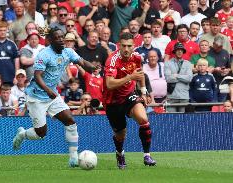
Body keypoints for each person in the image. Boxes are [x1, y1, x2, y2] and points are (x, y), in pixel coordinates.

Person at [12, 27, 98, 167]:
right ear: (50, 40)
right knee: (41, 133)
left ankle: (73, 159)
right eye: (57, 38)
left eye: (62, 37)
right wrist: (47, 90)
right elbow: (37, 76)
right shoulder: (44, 54)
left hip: (52, 95)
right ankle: (22, 134)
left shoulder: (68, 52)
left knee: (70, 121)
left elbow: (82, 62)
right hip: (36, 96)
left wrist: (93, 68)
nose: (61, 39)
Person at [103, 32, 156, 169]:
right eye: (124, 46)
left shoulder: (137, 57)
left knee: (144, 120)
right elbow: (109, 84)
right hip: (112, 102)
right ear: (119, 46)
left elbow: (140, 73)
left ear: (134, 46)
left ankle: (147, 155)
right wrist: (129, 77)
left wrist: (143, 92)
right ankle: (120, 153)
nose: (126, 49)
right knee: (121, 135)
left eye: (129, 46)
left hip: (129, 96)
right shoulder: (112, 60)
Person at [164, 42, 193, 113]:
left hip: (184, 96)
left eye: (181, 50)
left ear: (183, 51)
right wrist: (183, 77)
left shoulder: (188, 63)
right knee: (172, 120)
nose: (180, 51)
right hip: (172, 96)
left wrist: (177, 75)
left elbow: (189, 78)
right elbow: (168, 78)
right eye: (177, 50)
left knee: (183, 120)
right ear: (174, 51)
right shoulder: (168, 63)